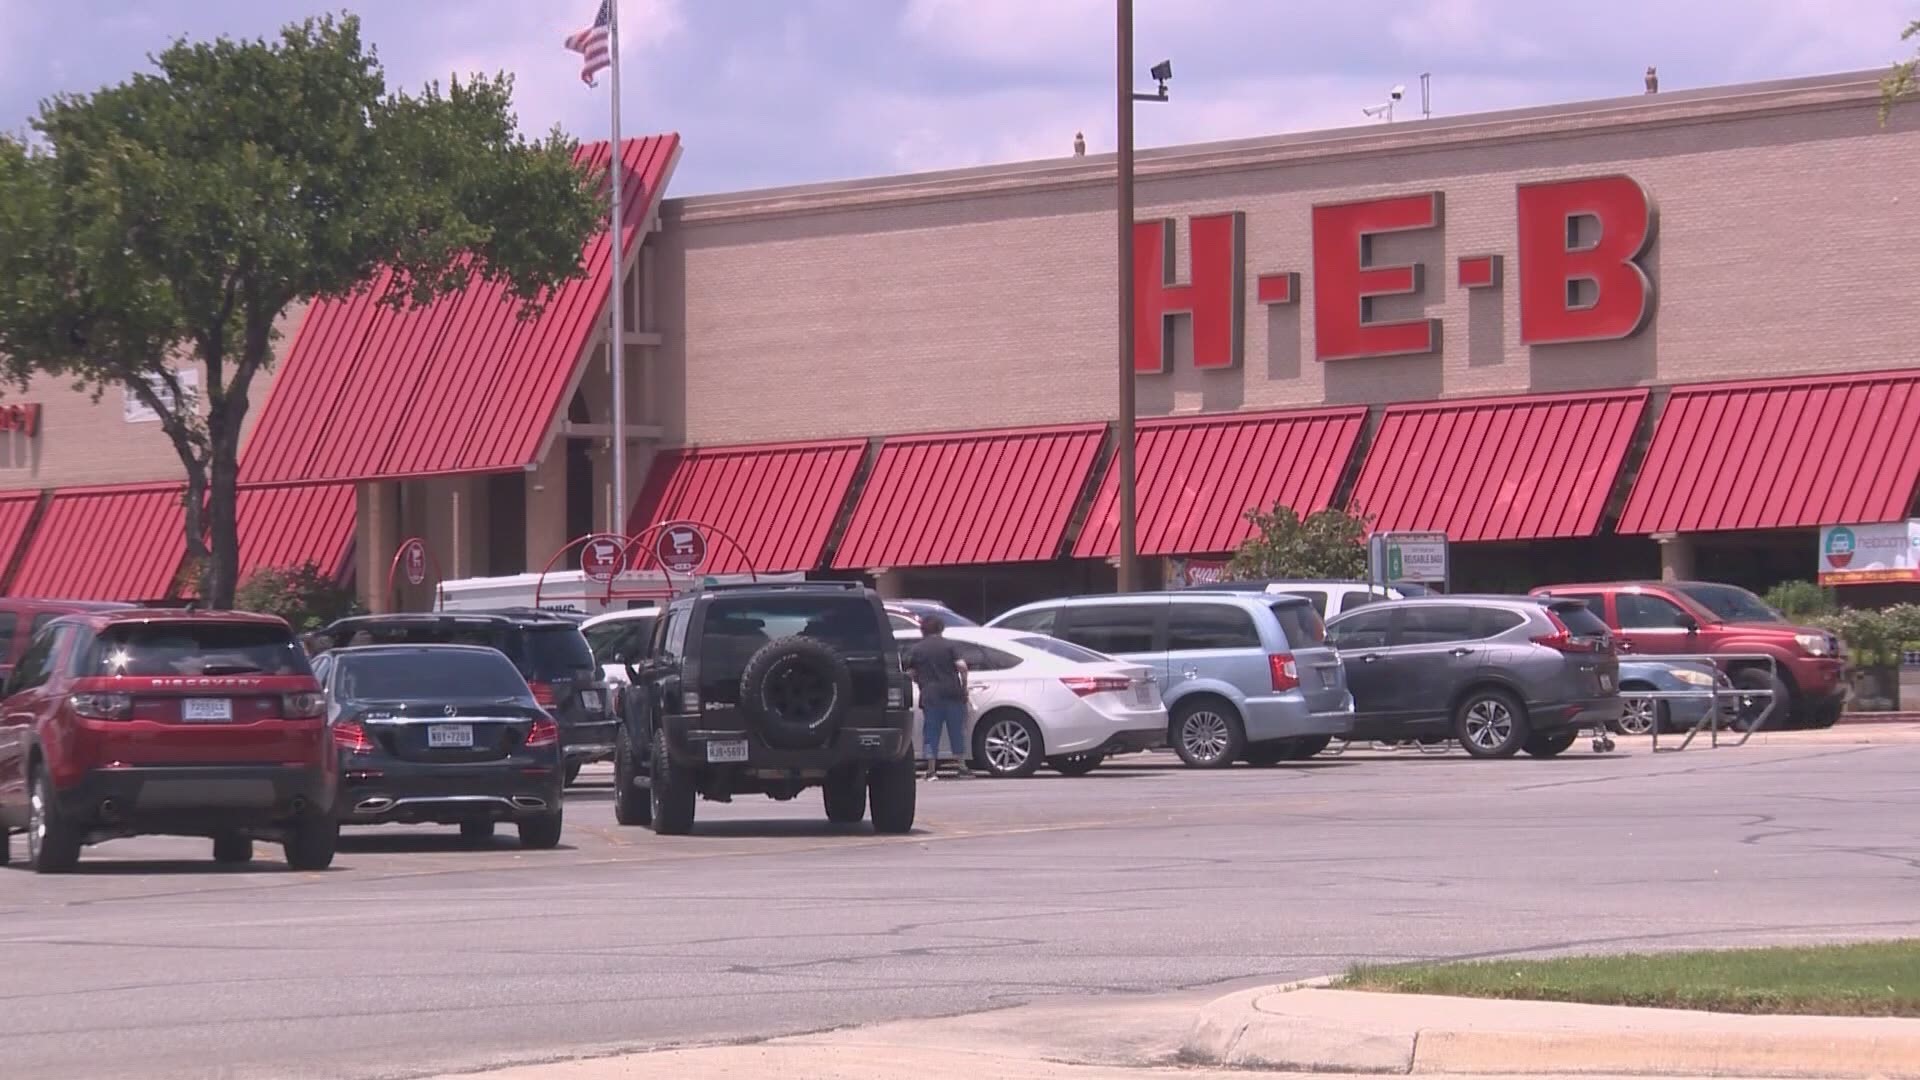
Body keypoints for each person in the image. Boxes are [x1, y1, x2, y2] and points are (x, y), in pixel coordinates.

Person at [905, 614, 970, 780]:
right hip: (953, 693)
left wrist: (919, 681)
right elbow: (961, 667)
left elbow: (910, 673)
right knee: (956, 730)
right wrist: (964, 687)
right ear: (941, 628)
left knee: (931, 732)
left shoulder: (917, 649)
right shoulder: (950, 646)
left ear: (923, 630)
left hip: (930, 695)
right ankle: (961, 766)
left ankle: (931, 770)